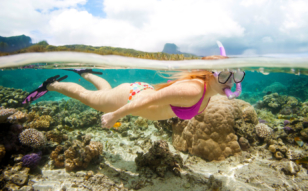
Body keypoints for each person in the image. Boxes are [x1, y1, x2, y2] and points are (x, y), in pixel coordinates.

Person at [22, 42, 245, 129]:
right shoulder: (194, 90)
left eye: (236, 75)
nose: (233, 81)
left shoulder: (207, 90)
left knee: (104, 93)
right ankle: (49, 85)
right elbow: (146, 101)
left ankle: (87, 72)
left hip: (136, 91)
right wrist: (115, 116)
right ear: (209, 75)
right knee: (87, 97)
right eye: (225, 75)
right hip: (132, 97)